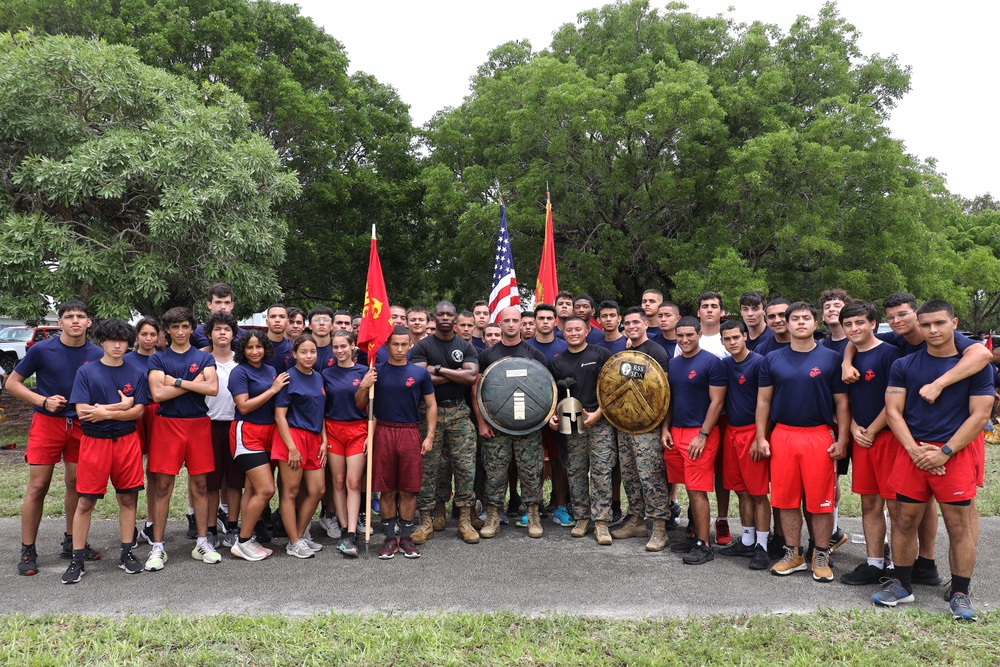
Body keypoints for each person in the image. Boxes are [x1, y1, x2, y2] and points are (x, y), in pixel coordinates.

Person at [842, 292, 992, 586]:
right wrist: (847, 361)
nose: (898, 320)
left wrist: (938, 385)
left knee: (960, 512)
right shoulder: (899, 346)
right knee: (911, 510)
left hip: (956, 439)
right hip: (913, 440)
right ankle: (913, 572)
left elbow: (983, 356)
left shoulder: (956, 344)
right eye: (892, 316)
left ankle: (948, 576)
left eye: (904, 314)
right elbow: (857, 336)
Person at [8, 300, 104, 576]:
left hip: (82, 426)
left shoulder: (97, 353)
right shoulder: (41, 349)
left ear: (89, 322)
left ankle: (73, 541)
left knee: (76, 484)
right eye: (69, 316)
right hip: (47, 424)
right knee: (38, 486)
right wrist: (43, 400)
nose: (75, 320)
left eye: (81, 316)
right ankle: (28, 549)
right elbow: (12, 383)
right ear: (59, 322)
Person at [755, 302, 849, 582]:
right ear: (787, 322)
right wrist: (761, 436)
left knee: (820, 501)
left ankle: (820, 553)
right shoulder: (772, 359)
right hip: (783, 434)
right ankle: (793, 553)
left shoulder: (831, 359)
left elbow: (842, 404)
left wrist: (843, 438)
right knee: (785, 499)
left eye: (805, 318)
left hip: (818, 434)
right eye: (794, 318)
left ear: (814, 321)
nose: (799, 323)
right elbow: (763, 400)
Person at [61, 318, 149, 583]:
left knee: (127, 498)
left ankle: (126, 553)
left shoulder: (136, 373)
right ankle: (77, 558)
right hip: (94, 442)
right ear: (102, 341)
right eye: (112, 340)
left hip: (126, 441)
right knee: (85, 501)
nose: (117, 345)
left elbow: (139, 411)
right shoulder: (87, 372)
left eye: (122, 340)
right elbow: (83, 412)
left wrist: (107, 410)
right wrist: (120, 407)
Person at [145, 307, 220, 570]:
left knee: (200, 486)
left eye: (185, 326)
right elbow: (157, 395)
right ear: (167, 329)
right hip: (167, 426)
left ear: (192, 328)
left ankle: (201, 542)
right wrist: (191, 382)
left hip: (198, 425)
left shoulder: (203, 357)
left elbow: (212, 388)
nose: (180, 332)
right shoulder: (157, 359)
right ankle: (158, 547)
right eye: (175, 327)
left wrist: (176, 382)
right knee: (163, 487)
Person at [836, 300, 901, 585]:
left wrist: (872, 429)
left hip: (887, 438)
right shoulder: (847, 357)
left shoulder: (890, 355)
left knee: (896, 506)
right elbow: (845, 401)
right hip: (861, 439)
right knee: (869, 503)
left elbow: (897, 401)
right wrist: (852, 428)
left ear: (873, 323)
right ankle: (874, 563)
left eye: (859, 322)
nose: (853, 329)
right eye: (848, 324)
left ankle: (900, 567)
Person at [356, 327, 436, 559]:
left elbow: (431, 405)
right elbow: (360, 404)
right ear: (387, 345)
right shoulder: (376, 371)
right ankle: (390, 538)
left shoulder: (420, 373)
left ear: (411, 345)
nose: (399, 349)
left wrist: (429, 435)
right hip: (384, 431)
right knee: (387, 489)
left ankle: (407, 539)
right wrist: (364, 384)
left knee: (409, 489)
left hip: (410, 432)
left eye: (404, 344)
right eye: (395, 344)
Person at [472, 307, 549, 539]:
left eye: (516, 320)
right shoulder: (487, 356)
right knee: (494, 473)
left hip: (528, 427)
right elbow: (477, 390)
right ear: (500, 323)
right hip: (496, 425)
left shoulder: (534, 355)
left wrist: (542, 420)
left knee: (531, 472)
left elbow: (546, 391)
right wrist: (482, 423)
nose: (512, 324)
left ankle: (533, 515)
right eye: (507, 320)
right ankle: (493, 516)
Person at [410, 301, 481, 544]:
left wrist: (438, 369)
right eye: (440, 314)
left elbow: (471, 377)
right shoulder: (421, 347)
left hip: (459, 412)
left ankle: (464, 519)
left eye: (449, 314)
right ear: (435, 317)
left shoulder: (465, 346)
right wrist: (455, 372)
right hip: (429, 413)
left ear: (455, 318)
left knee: (465, 467)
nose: (445, 318)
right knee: (429, 467)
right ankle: (427, 519)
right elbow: (420, 378)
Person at [664, 316, 727, 565]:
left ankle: (704, 544)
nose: (685, 339)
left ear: (699, 334)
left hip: (699, 433)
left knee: (697, 490)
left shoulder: (712, 363)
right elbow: (671, 400)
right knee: (686, 487)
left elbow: (717, 402)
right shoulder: (675, 363)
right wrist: (665, 429)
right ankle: (693, 536)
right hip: (676, 431)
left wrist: (703, 434)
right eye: (680, 335)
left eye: (690, 334)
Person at [547, 317, 615, 545]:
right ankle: (582, 518)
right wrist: (553, 417)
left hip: (598, 421)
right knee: (575, 472)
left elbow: (612, 388)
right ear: (563, 333)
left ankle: (602, 522)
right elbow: (553, 394)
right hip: (570, 422)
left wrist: (599, 413)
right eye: (569, 330)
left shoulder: (601, 354)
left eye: (578, 329)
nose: (573, 333)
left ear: (587, 331)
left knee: (601, 472)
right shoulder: (557, 362)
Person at [610, 308, 672, 552]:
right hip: (625, 423)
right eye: (627, 323)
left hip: (648, 426)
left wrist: (663, 426)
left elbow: (662, 393)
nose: (631, 326)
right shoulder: (625, 353)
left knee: (651, 476)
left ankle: (659, 527)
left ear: (646, 324)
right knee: (630, 473)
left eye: (636, 322)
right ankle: (636, 519)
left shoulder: (656, 352)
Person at [227, 330, 287, 561]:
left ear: (265, 349)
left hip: (269, 432)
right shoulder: (239, 372)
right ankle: (242, 542)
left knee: (252, 489)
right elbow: (243, 406)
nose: (254, 351)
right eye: (249, 347)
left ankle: (247, 536)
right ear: (242, 349)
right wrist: (272, 390)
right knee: (266, 489)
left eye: (259, 347)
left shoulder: (271, 370)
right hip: (247, 432)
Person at [718, 319, 771, 571]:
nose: (732, 342)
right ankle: (747, 539)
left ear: (744, 337)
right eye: (727, 339)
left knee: (758, 492)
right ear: (722, 341)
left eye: (735, 337)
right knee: (740, 490)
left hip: (752, 432)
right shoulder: (724, 365)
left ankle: (762, 545)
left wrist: (760, 437)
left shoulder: (760, 363)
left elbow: (767, 402)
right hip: (732, 432)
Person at [272, 334, 328, 558]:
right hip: (292, 437)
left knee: (317, 490)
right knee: (291, 491)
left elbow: (320, 411)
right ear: (294, 354)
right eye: (303, 352)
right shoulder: (288, 377)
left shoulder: (319, 377)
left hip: (315, 438)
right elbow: (279, 416)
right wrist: (292, 447)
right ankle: (293, 541)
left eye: (312, 352)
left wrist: (324, 440)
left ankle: (300, 535)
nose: (308, 356)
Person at [322, 330, 368, 557]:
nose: (339, 351)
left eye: (343, 346)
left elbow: (369, 407)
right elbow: (320, 409)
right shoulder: (326, 373)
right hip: (333, 430)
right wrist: (323, 438)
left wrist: (371, 434)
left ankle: (352, 532)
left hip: (358, 430)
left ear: (353, 347)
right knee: (338, 481)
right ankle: (344, 530)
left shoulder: (365, 372)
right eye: (336, 347)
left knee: (353, 481)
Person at [526, 305, 572, 527]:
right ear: (534, 321)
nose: (544, 322)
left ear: (556, 321)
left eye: (548, 318)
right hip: (531, 414)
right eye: (540, 318)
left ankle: (560, 507)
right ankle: (531, 508)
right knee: (531, 462)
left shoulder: (565, 346)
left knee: (558, 460)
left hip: (559, 413)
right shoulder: (525, 348)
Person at [203, 313, 241, 549]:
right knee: (211, 482)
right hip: (208, 424)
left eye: (226, 329)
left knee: (235, 480)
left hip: (236, 424)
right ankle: (209, 529)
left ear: (233, 334)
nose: (222, 333)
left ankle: (233, 526)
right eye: (218, 329)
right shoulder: (202, 360)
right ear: (210, 334)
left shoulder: (242, 360)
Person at [124, 317, 162, 545]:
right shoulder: (126, 358)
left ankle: (152, 523)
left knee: (156, 470)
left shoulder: (163, 358)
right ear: (137, 336)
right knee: (132, 469)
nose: (148, 339)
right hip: (133, 412)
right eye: (144, 334)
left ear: (159, 337)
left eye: (152, 335)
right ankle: (130, 526)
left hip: (158, 413)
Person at [191, 283, 241, 349]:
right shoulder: (196, 333)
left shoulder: (243, 335)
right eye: (218, 302)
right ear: (209, 305)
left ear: (232, 305)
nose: (223, 307)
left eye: (227, 303)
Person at [263, 304, 291, 374]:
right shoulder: (257, 345)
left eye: (282, 316)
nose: (277, 320)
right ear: (267, 322)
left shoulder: (293, 347)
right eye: (273, 316)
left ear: (287, 322)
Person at [307, 306, 336, 371]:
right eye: (316, 320)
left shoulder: (338, 349)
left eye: (326, 320)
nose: (321, 323)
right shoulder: (300, 349)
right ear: (310, 326)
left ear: (332, 326)